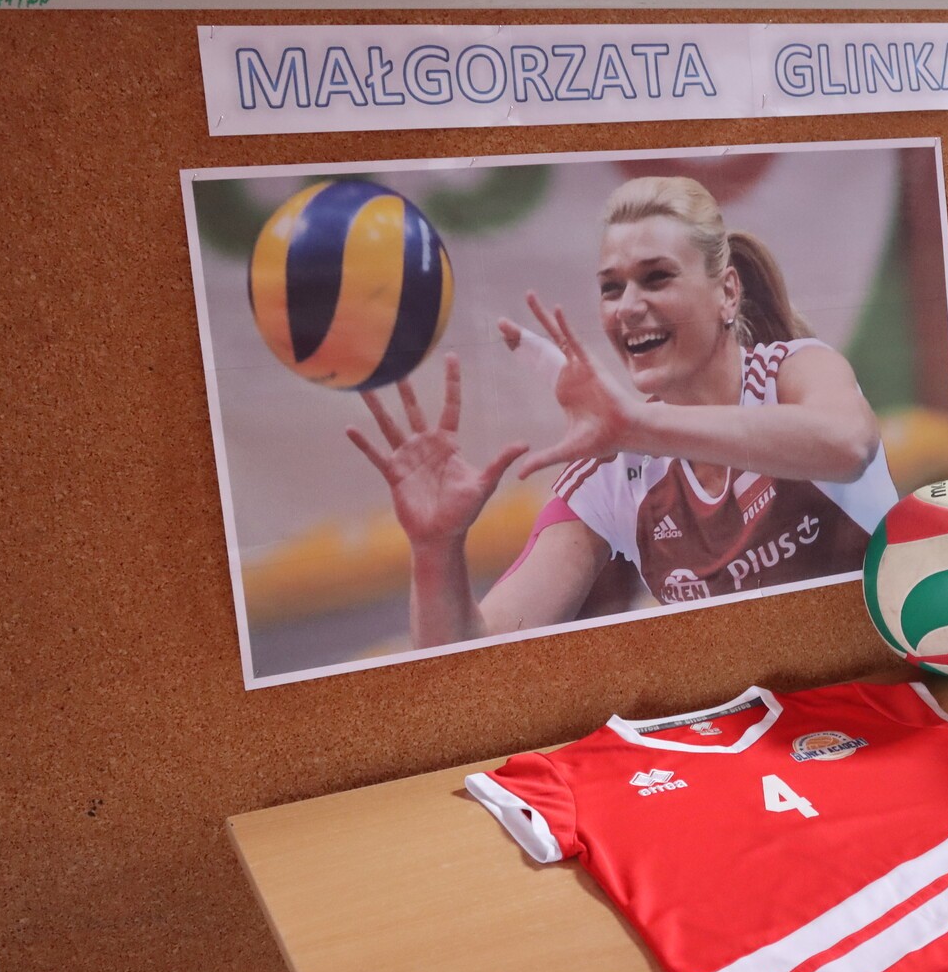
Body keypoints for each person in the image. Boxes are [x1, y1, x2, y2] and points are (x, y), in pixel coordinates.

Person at [347, 175, 899, 648]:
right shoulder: (614, 472)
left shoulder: (793, 371)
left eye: (657, 277)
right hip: (751, 724)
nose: (629, 307)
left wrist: (637, 426)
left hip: (882, 689)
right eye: (612, 289)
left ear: (727, 293)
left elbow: (846, 446)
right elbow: (472, 658)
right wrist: (436, 548)